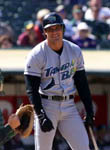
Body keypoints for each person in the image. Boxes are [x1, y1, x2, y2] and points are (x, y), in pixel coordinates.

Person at [24, 12, 94, 150]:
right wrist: (41, 115)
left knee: (83, 146)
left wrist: (89, 110)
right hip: (47, 104)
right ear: (44, 32)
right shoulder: (36, 54)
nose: (55, 32)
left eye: (57, 28)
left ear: (62, 28)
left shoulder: (74, 50)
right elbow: (31, 89)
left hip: (69, 106)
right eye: (50, 29)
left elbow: (82, 83)